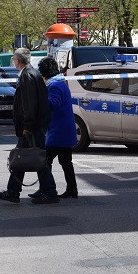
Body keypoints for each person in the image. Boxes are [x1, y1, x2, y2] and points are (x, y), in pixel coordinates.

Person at [0, 48, 55, 204]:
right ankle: (13, 191)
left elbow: (30, 103)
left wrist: (28, 125)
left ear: (17, 60)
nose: (13, 62)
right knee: (20, 157)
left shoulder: (27, 75)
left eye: (14, 59)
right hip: (33, 124)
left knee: (38, 159)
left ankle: (49, 192)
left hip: (32, 126)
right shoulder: (32, 73)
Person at [36, 57, 78, 198]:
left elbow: (53, 104)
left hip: (58, 130)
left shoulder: (53, 86)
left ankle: (46, 189)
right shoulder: (61, 83)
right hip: (64, 128)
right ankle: (72, 190)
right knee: (65, 161)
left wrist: (41, 98)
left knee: (45, 161)